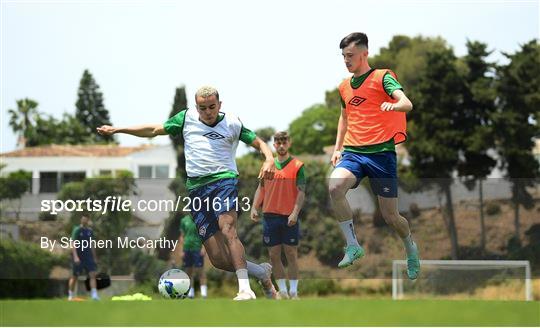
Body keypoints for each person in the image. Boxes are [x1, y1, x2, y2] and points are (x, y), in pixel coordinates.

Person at [97, 86, 278, 300]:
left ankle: (245, 290)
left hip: (224, 181)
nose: (208, 112)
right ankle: (260, 272)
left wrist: (269, 158)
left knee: (228, 229)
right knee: (218, 260)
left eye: (212, 107)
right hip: (197, 190)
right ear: (196, 107)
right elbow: (154, 130)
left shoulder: (232, 122)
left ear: (219, 105)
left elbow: (258, 143)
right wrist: (118, 130)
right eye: (203, 108)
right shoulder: (186, 118)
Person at [328, 32, 420, 280]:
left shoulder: (382, 77)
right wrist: (337, 148)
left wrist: (395, 104)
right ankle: (353, 246)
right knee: (335, 187)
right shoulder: (344, 86)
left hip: (381, 155)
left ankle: (410, 246)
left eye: (351, 55)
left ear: (364, 54)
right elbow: (344, 117)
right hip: (353, 152)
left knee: (391, 216)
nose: (346, 60)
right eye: (343, 56)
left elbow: (406, 103)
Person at [251, 131, 305, 299]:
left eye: (284, 142)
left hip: (289, 217)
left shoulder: (298, 165)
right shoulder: (268, 165)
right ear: (274, 145)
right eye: (278, 142)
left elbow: (302, 192)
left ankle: (294, 291)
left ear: (289, 143)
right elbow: (261, 188)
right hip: (269, 216)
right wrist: (254, 207)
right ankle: (282, 290)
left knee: (291, 254)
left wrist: (295, 213)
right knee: (274, 255)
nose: (281, 145)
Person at [174, 214, 208, 299]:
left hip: (197, 248)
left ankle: (204, 293)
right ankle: (190, 293)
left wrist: (204, 248)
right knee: (189, 271)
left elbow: (204, 235)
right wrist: (181, 250)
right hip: (187, 248)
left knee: (200, 271)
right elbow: (182, 236)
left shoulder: (201, 219)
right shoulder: (184, 220)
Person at [68, 215, 99, 300]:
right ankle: (70, 295)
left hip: (88, 257)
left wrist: (94, 257)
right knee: (74, 277)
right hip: (79, 257)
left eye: (86, 219)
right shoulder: (77, 230)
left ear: (88, 220)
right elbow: (73, 244)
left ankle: (94, 295)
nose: (85, 220)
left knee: (92, 274)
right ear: (81, 220)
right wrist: (75, 257)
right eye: (83, 218)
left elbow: (92, 245)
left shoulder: (90, 231)